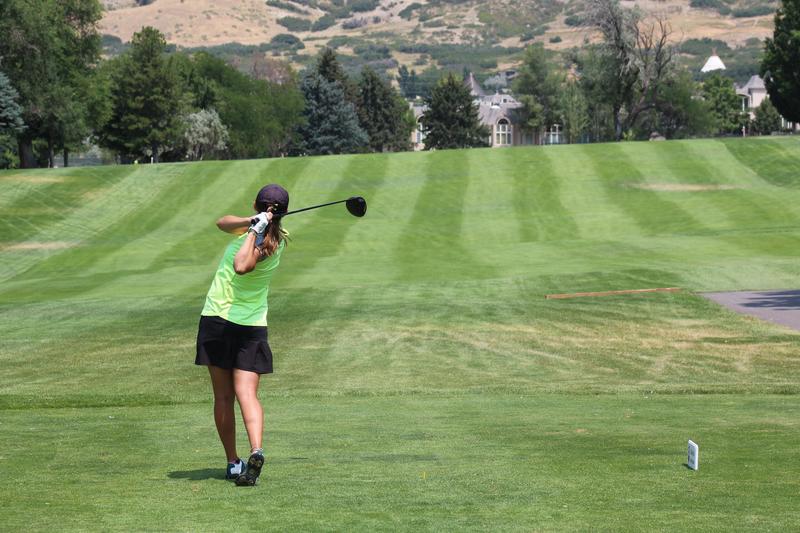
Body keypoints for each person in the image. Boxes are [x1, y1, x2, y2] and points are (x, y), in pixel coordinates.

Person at [195, 184, 289, 486]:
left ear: (256, 203)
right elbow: (222, 223)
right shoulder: (272, 235)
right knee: (247, 393)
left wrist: (253, 232)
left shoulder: (267, 243)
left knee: (224, 396)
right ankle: (256, 450)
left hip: (218, 320)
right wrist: (251, 223)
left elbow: (241, 265)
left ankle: (234, 463)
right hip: (251, 326)